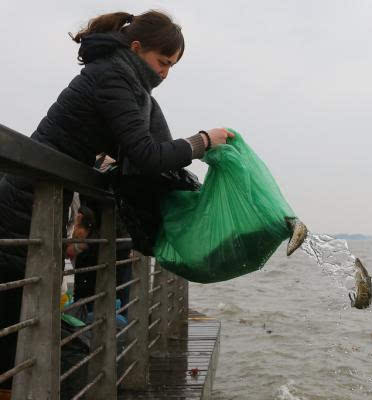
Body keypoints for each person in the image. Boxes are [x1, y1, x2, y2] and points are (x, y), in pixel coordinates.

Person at [0, 10, 234, 390]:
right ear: (137, 48)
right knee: (17, 338)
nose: (164, 74)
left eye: (172, 66)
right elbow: (146, 153)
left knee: (20, 331)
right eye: (162, 62)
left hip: (33, 206)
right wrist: (202, 141)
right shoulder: (114, 76)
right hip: (23, 210)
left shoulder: (118, 75)